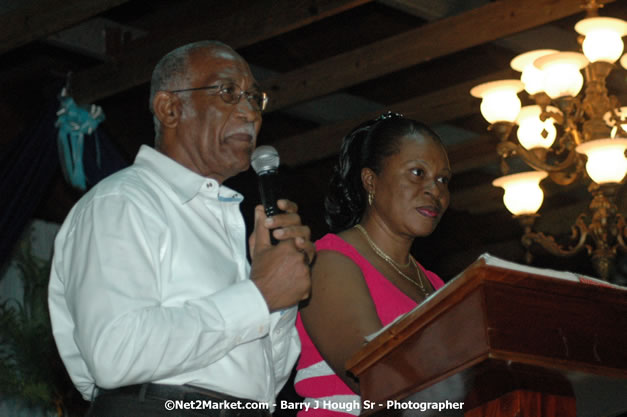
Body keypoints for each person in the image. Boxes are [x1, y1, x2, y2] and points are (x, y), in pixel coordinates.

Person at [48, 40, 314, 417]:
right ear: (170, 108)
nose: (249, 113)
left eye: (255, 98)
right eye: (228, 92)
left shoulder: (227, 223)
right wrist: (259, 294)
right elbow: (115, 352)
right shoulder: (123, 201)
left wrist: (279, 299)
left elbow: (263, 382)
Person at [295, 113, 451, 416]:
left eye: (443, 179)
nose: (436, 191)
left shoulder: (437, 285)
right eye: (417, 173)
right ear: (371, 180)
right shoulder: (330, 261)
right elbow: (372, 376)